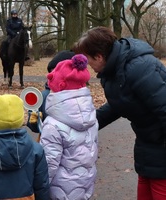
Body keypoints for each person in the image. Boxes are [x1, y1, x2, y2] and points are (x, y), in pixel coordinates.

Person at [73, 26, 166, 200]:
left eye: (87, 59)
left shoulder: (139, 68)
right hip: (147, 145)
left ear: (99, 56)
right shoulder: (113, 71)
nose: (86, 65)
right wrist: (85, 124)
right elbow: (118, 104)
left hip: (160, 146)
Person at [40, 54, 98, 199]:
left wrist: (39, 190)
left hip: (59, 191)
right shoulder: (90, 116)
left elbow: (48, 165)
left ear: (59, 85)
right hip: (84, 184)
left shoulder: (53, 125)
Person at [27, 50, 75, 135]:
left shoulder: (79, 96)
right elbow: (35, 128)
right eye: (52, 73)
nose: (53, 77)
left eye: (58, 73)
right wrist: (34, 121)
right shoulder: (43, 96)